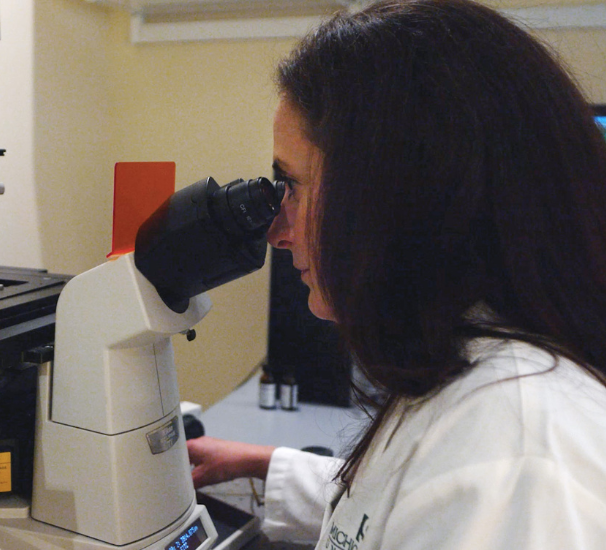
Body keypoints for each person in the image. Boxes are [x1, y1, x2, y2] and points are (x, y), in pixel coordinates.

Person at [187, 0, 606, 547]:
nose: (277, 231)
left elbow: (458, 490)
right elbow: (398, 508)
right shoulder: (470, 370)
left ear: (403, 194)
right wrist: (266, 466)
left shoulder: (514, 459)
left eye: (294, 185)